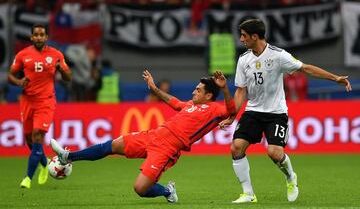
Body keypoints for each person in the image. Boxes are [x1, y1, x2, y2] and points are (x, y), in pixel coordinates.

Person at [50, 69, 235, 203]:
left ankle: (167, 191)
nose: (194, 91)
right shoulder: (189, 104)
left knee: (140, 188)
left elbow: (231, 109)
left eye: (199, 90)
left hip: (166, 149)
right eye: (195, 88)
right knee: (112, 145)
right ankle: (68, 157)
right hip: (153, 135)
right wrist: (153, 87)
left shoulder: (215, 110)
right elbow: (173, 101)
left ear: (209, 95)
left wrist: (225, 89)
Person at [220, 18, 352, 203]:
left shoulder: (278, 55)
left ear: (254, 36)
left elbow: (306, 68)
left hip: (276, 112)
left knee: (274, 152)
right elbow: (241, 90)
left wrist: (335, 78)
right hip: (253, 111)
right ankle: (248, 194)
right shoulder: (244, 60)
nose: (241, 40)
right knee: (236, 147)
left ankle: (291, 177)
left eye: (243, 36)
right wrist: (232, 116)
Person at [8, 24, 72, 189]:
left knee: (38, 135)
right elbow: (10, 75)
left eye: (41, 34)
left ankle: (27, 178)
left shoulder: (56, 55)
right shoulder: (23, 55)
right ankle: (44, 164)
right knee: (29, 139)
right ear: (31, 37)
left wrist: (61, 70)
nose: (38, 37)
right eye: (35, 34)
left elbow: (68, 77)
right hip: (27, 101)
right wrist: (18, 82)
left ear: (46, 37)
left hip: (46, 101)